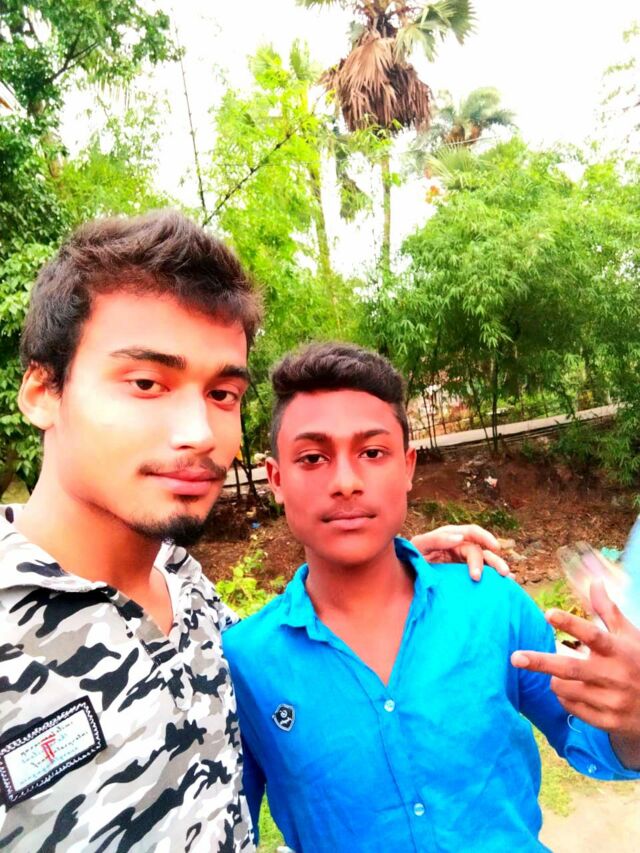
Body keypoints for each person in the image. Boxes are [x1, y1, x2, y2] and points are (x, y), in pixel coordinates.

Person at [0, 211, 504, 851]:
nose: (200, 434)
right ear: (43, 391)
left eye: (222, 395)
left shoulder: (188, 591)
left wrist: (381, 567)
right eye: (147, 383)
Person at [222, 341, 640, 853]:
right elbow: (223, 828)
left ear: (408, 466)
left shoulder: (492, 606)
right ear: (277, 480)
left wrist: (634, 718)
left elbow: (590, 742)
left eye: (372, 453)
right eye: (313, 458)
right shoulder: (243, 662)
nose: (346, 482)